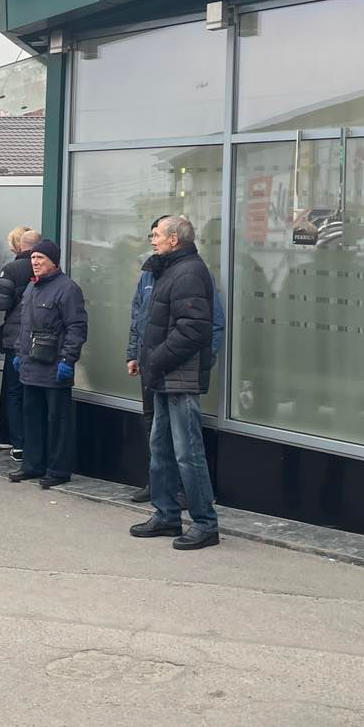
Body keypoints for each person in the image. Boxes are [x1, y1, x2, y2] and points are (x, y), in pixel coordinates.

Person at [129, 215, 219, 550]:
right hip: (164, 375)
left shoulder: (189, 272)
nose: (152, 240)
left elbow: (193, 329)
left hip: (179, 377)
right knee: (161, 449)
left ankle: (205, 523)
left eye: (156, 235)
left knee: (187, 452)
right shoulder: (168, 269)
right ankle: (167, 515)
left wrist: (157, 358)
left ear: (174, 239)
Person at [7, 240, 87, 490]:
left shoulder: (68, 289)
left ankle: (58, 470)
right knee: (32, 418)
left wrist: (68, 360)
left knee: (57, 422)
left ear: (54, 261)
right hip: (30, 366)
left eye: (40, 258)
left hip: (54, 367)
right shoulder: (32, 288)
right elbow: (24, 325)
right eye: (33, 258)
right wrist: (19, 352)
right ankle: (32, 465)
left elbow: (76, 327)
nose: (35, 262)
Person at [0, 226, 40, 459]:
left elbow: (0, 303)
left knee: (14, 390)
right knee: (34, 390)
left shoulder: (12, 268)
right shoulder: (47, 267)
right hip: (40, 338)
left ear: (20, 245)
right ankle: (32, 440)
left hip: (15, 336)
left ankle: (17, 442)